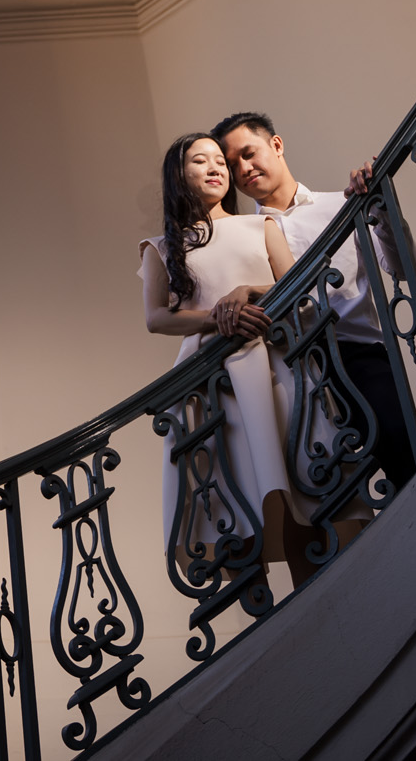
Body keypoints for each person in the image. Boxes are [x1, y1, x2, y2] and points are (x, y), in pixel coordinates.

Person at [210, 112, 416, 494]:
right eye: (231, 163)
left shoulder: (338, 207)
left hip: (360, 358)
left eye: (248, 152)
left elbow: (406, 269)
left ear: (276, 145)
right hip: (290, 376)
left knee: (409, 468)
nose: (242, 168)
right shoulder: (241, 238)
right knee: (325, 497)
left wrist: (382, 208)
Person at [140, 132, 314, 587]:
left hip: (270, 362)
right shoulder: (162, 246)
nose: (217, 167)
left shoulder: (261, 227)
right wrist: (217, 319)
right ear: (179, 175)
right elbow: (156, 318)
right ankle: (262, 621)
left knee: (292, 482)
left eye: (221, 160)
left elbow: (298, 286)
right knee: (227, 495)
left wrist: (248, 293)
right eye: (201, 160)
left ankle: (313, 592)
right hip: (207, 379)